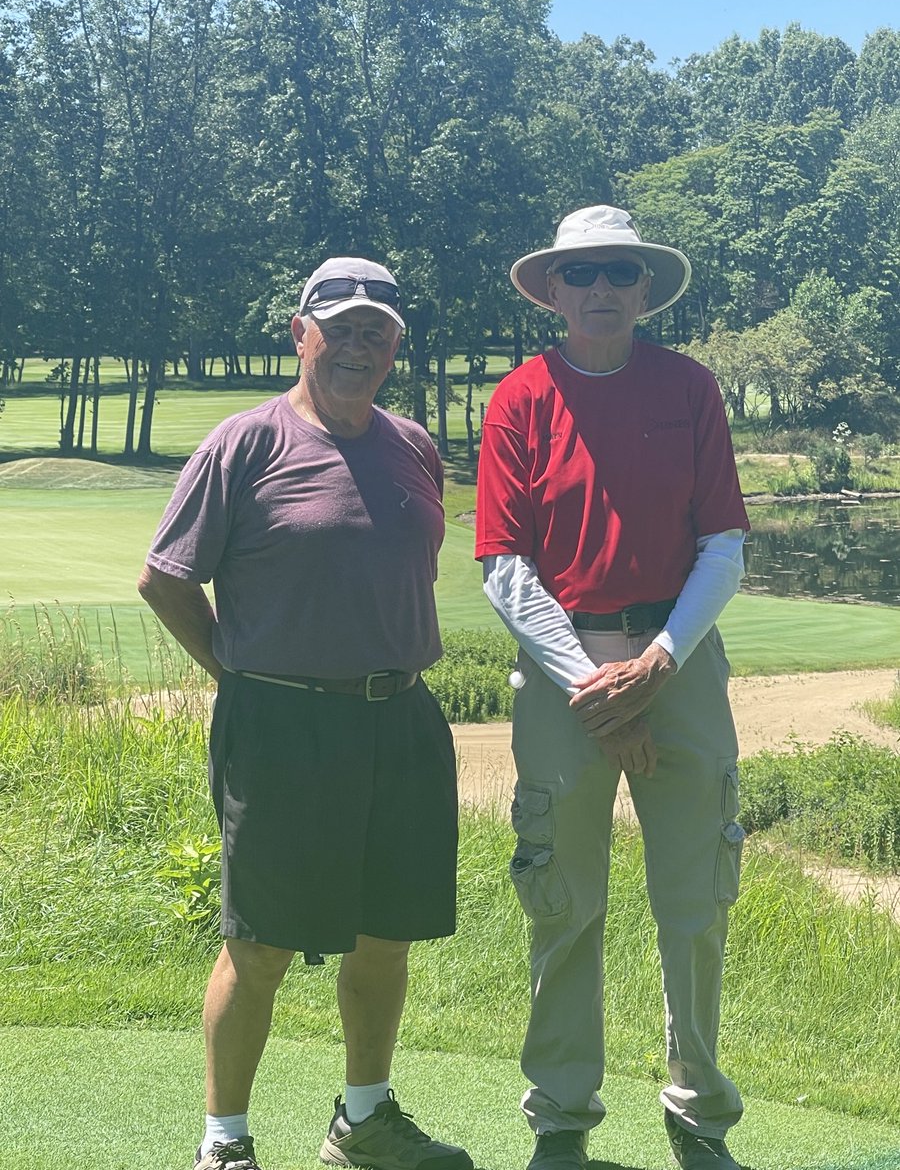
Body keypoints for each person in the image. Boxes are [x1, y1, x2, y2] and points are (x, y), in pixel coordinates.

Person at [139, 257, 473, 1170]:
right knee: (263, 943)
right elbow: (165, 578)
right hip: (282, 729)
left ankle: (362, 1121)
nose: (357, 346)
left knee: (385, 933)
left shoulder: (411, 445)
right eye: (340, 328)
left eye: (377, 332)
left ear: (395, 346)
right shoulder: (247, 443)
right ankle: (225, 1142)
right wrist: (234, 672)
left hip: (401, 719)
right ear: (300, 332)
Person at [475, 206, 750, 1170]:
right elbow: (503, 563)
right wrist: (598, 686)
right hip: (566, 673)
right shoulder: (519, 397)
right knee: (563, 897)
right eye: (580, 272)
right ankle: (560, 1112)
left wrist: (658, 664)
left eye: (617, 272)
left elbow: (723, 542)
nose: (599, 289)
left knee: (696, 897)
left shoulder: (690, 387)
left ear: (643, 288)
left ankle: (699, 1107)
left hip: (677, 655)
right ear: (552, 288)